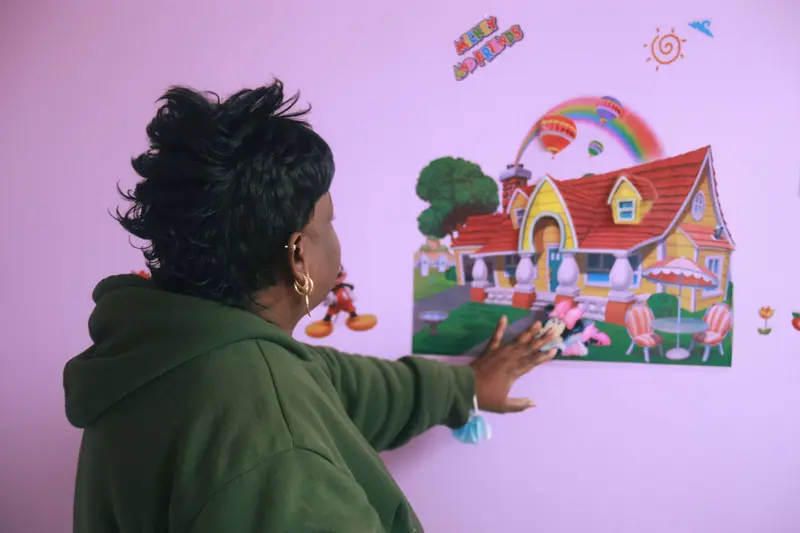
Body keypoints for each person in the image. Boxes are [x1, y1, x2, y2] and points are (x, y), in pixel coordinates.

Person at [63, 81, 556, 533]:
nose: (339, 244)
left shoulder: (165, 350)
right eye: (331, 221)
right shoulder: (273, 442)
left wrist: (465, 386)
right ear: (298, 254)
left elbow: (341, 388)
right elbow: (290, 410)